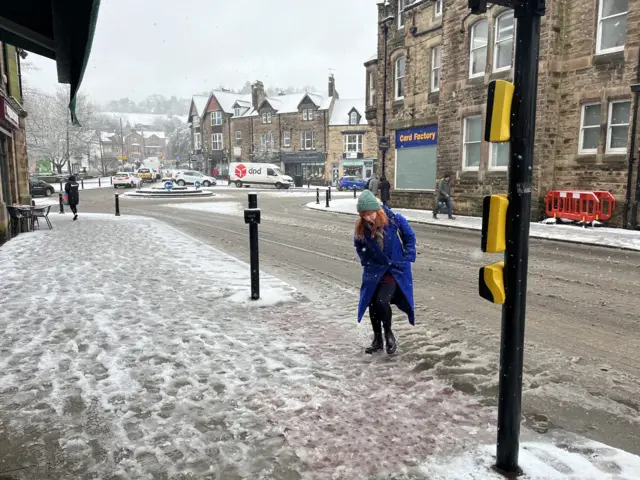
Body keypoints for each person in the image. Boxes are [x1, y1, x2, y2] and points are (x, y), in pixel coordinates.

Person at [354, 190, 416, 355]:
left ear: (377, 210)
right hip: (374, 270)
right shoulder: (361, 228)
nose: (368, 218)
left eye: (370, 214)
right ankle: (377, 339)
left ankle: (388, 333)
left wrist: (407, 257)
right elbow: (359, 247)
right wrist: (366, 261)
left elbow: (410, 237)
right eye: (364, 215)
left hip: (393, 269)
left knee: (382, 300)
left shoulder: (394, 220)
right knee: (372, 303)